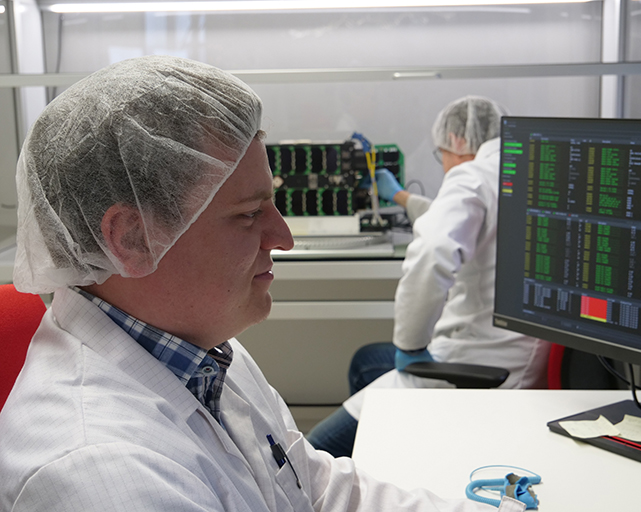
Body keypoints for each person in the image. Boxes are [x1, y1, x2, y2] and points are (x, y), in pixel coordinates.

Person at [0, 56, 492, 511]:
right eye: (250, 213)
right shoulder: (103, 474)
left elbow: (314, 488)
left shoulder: (201, 350)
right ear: (132, 239)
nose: (284, 238)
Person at [306, 96, 551, 458]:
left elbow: (435, 248)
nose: (445, 164)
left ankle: (377, 457)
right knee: (366, 361)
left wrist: (411, 347)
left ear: (457, 140)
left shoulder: (471, 176)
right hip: (523, 359)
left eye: (441, 155)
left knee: (315, 451)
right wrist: (402, 197)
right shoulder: (532, 171)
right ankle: (380, 458)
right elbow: (476, 226)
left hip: (474, 365)